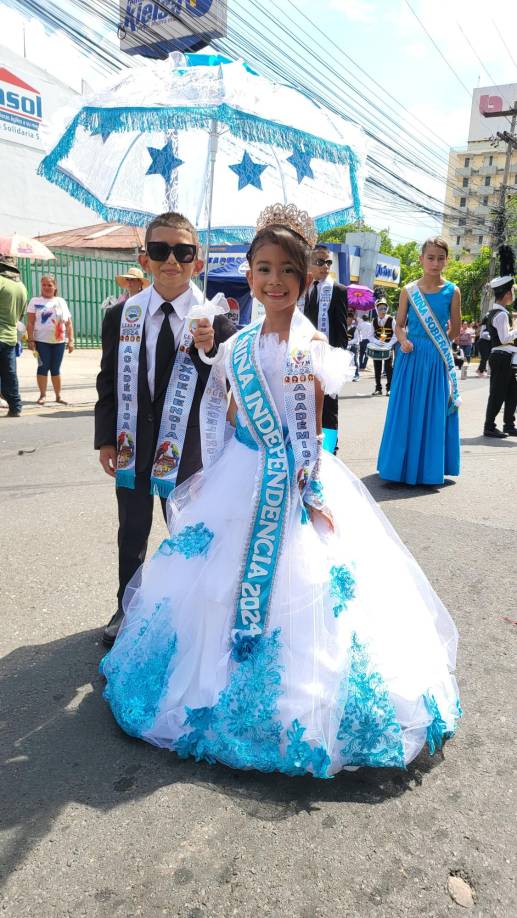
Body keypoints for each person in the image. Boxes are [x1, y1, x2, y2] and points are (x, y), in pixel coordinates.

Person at [100, 203, 461, 778]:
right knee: (212, 579)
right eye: (264, 269)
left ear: (306, 276)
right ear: (248, 275)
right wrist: (206, 349)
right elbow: (222, 405)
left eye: (288, 271)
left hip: (292, 476)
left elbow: (312, 428)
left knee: (305, 586)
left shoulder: (311, 345)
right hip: (242, 471)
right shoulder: (237, 340)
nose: (275, 281)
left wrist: (311, 492)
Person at [95, 211, 235, 647]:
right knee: (132, 532)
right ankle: (127, 607)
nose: (171, 260)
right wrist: (103, 438)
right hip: (131, 441)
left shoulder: (216, 318)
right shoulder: (123, 316)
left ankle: (188, 611)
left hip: (189, 448)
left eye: (182, 251)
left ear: (198, 260)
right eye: (160, 250)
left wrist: (213, 347)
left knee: (188, 534)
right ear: (145, 258)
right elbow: (107, 379)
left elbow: (231, 382)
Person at [377, 237, 461, 486]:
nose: (435, 263)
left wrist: (438, 343)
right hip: (409, 355)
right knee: (405, 408)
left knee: (432, 409)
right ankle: (397, 468)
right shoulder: (408, 290)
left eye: (441, 258)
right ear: (421, 259)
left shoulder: (452, 291)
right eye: (431, 257)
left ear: (447, 260)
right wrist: (402, 341)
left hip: (435, 357)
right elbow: (399, 325)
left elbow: (454, 330)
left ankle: (427, 468)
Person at [303, 243, 348, 453]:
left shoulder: (338, 290)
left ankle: (329, 448)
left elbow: (341, 329)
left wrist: (336, 359)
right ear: (309, 264)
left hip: (327, 356)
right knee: (305, 401)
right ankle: (307, 442)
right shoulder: (303, 290)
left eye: (328, 262)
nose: (325, 266)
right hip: (303, 356)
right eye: (320, 261)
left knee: (329, 406)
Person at [482, 245, 517, 439]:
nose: (513, 294)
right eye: (512, 291)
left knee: (513, 393)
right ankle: (489, 426)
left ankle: (509, 424)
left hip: (505, 357)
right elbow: (504, 338)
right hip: (501, 357)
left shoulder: (498, 311)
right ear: (506, 294)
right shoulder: (501, 315)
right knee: (497, 393)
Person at [26, 275, 74, 405]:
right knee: (43, 367)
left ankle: (58, 396)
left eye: (50, 285)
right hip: (41, 341)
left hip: (59, 341)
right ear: (41, 286)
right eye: (44, 285)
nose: (47, 287)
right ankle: (42, 395)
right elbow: (30, 323)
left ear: (55, 287)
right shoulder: (35, 301)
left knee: (55, 368)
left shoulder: (61, 301)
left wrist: (71, 340)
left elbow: (68, 323)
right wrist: (30, 340)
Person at [0, 255, 27, 417]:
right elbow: (20, 316)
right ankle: (15, 406)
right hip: (10, 337)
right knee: (9, 375)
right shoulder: (22, 287)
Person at [370, 297, 395, 396]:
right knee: (377, 367)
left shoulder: (391, 320)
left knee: (388, 368)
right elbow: (370, 335)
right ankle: (378, 389)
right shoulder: (374, 321)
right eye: (380, 308)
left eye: (384, 308)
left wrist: (388, 344)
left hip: (388, 347)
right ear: (377, 310)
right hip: (377, 347)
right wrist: (377, 342)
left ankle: (389, 389)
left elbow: (396, 334)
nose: (383, 311)